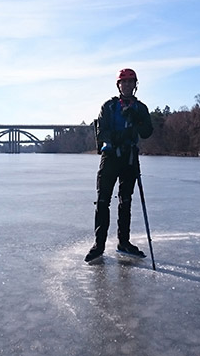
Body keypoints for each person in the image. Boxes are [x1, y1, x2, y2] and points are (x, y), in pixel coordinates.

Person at [84, 68, 154, 262]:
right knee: (103, 201)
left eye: (131, 82)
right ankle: (99, 245)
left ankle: (124, 242)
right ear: (118, 85)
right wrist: (117, 139)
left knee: (126, 200)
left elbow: (147, 131)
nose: (127, 85)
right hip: (111, 157)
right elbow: (101, 132)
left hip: (130, 158)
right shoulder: (109, 106)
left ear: (135, 85)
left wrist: (136, 120)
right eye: (124, 82)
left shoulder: (140, 108)